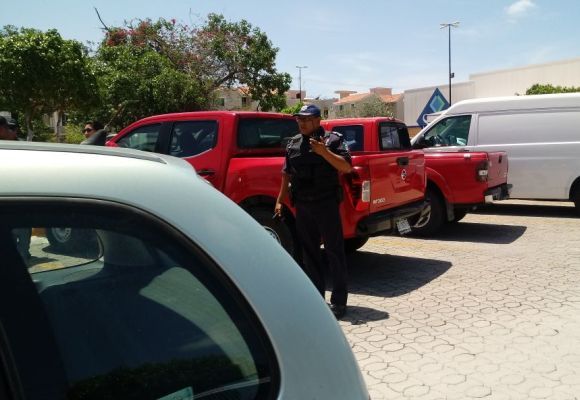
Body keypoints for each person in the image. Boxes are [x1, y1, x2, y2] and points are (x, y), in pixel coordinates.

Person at [275, 104, 353, 319]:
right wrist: (280, 200)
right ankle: (318, 300)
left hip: (326, 204)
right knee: (309, 255)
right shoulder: (293, 143)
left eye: (307, 119)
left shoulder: (333, 140)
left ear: (318, 121)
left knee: (335, 252)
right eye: (299, 119)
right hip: (303, 206)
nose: (302, 123)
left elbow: (346, 167)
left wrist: (323, 152)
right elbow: (286, 173)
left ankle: (339, 302)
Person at [0, 116, 32, 264]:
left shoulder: (22, 148)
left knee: (23, 236)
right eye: (8, 128)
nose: (10, 131)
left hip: (20, 199)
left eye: (13, 128)